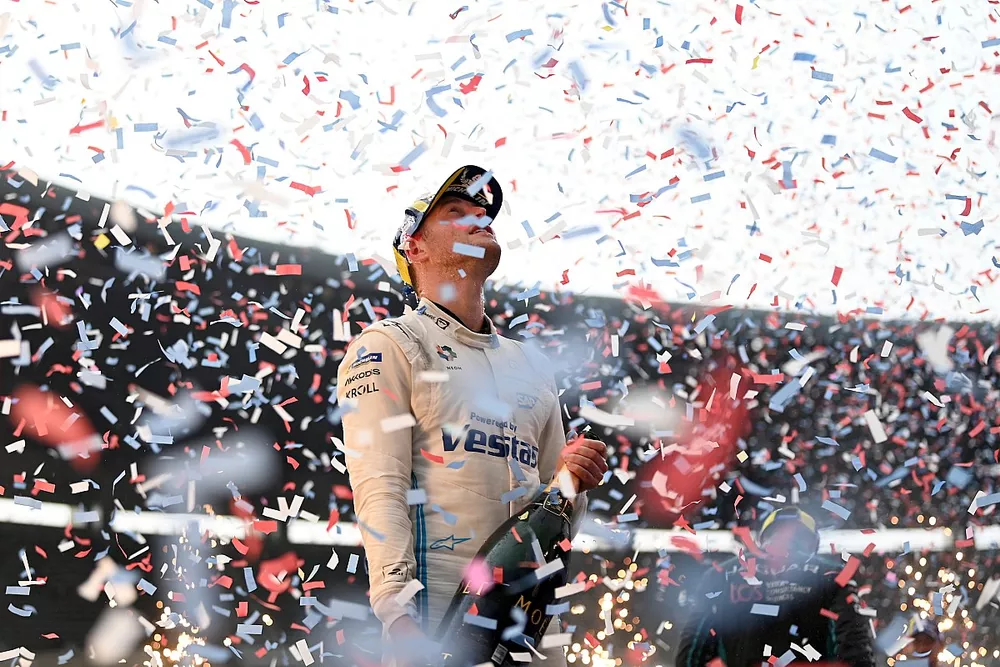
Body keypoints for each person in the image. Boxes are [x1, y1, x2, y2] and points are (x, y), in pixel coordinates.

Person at [336, 165, 609, 666]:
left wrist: (574, 480)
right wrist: (397, 617)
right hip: (432, 624)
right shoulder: (389, 345)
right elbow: (380, 484)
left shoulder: (533, 364)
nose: (480, 217)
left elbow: (555, 512)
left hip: (523, 634)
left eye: (482, 211)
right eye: (455, 212)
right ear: (413, 248)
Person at [676, 507, 877, 667]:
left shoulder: (721, 573)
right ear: (813, 544)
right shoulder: (833, 574)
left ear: (762, 539)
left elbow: (693, 647)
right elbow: (854, 645)